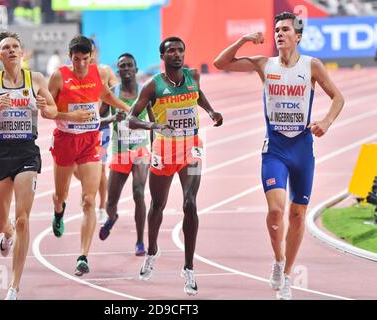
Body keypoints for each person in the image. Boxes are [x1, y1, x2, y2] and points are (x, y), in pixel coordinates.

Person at [213, 12, 344, 300]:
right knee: (276, 210)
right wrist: (243, 40)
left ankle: (286, 277)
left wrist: (326, 121)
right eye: (276, 30)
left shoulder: (312, 66)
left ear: (298, 36)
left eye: (285, 29)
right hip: (274, 149)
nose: (279, 34)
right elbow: (220, 63)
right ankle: (278, 259)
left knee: (297, 214)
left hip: (302, 149)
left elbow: (338, 97)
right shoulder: (264, 64)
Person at [128, 36, 223, 296]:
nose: (177, 54)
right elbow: (131, 119)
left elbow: (198, 95)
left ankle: (189, 268)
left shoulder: (192, 75)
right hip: (164, 151)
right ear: (163, 56)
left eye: (180, 50)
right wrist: (154, 126)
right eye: (171, 51)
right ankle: (152, 251)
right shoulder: (153, 85)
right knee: (157, 205)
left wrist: (211, 112)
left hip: (191, 148)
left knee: (190, 202)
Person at [0, 31, 57, 300]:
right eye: (5, 47)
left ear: (22, 52)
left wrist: (45, 107)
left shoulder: (36, 79)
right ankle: (5, 234)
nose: (11, 50)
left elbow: (53, 111)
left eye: (15, 46)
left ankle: (13, 286)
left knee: (22, 219)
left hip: (27, 153)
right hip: (0, 152)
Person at [48, 35, 130, 276]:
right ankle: (58, 211)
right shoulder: (59, 76)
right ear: (69, 57)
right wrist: (70, 117)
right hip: (65, 140)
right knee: (60, 194)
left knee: (89, 200)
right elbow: (47, 111)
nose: (81, 64)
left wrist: (128, 108)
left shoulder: (96, 73)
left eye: (85, 59)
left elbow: (105, 96)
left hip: (90, 141)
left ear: (91, 57)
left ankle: (83, 256)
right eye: (76, 59)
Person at [98, 53, 154, 257]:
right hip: (120, 152)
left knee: (139, 191)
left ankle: (140, 241)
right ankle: (112, 218)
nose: (127, 69)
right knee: (110, 203)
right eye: (122, 66)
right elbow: (98, 121)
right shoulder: (111, 93)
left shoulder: (145, 92)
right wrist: (113, 117)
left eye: (130, 65)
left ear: (136, 69)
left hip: (140, 150)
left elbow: (153, 123)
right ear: (118, 70)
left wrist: (155, 150)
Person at [73, 38, 119, 225]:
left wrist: (114, 118)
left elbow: (114, 96)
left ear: (95, 54)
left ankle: (101, 207)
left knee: (100, 168)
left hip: (101, 129)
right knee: (75, 167)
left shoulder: (105, 71)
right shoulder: (72, 73)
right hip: (78, 129)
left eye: (91, 53)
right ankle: (88, 186)